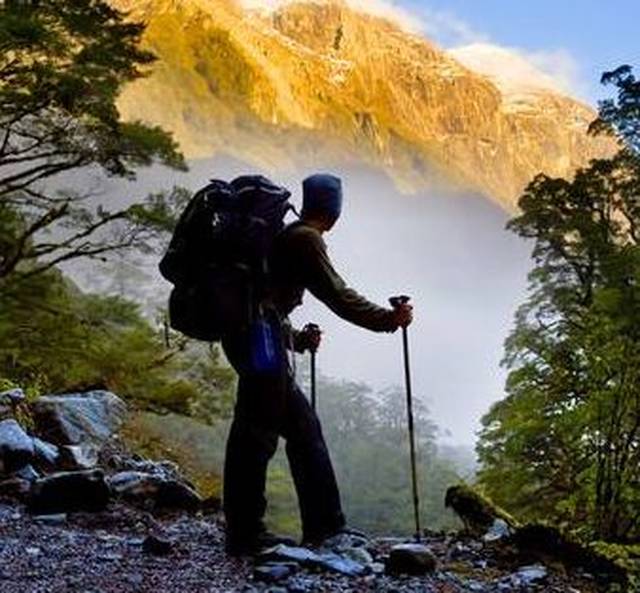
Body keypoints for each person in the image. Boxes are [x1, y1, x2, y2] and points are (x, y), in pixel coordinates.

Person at [222, 173, 414, 556]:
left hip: (255, 335)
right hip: (261, 339)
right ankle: (249, 534)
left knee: (298, 428)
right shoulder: (305, 239)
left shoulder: (287, 233)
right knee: (256, 434)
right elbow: (337, 294)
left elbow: (265, 297)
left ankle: (322, 527)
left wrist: (295, 340)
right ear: (335, 210)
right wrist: (387, 320)